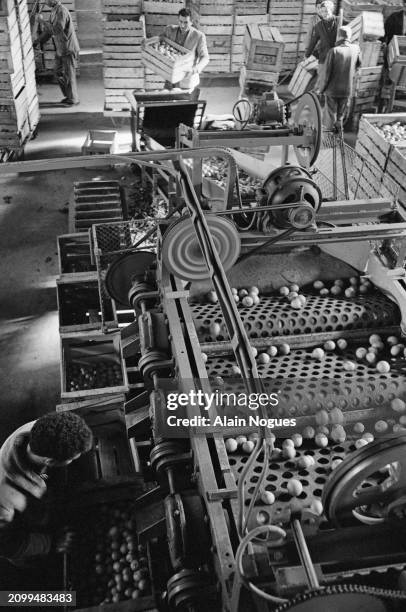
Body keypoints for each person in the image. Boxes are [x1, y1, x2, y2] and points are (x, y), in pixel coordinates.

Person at [0, 412, 93, 562]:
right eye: (72, 459)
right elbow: (6, 545)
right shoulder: (4, 500)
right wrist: (51, 543)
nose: (73, 462)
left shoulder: (39, 430)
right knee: (36, 563)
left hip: (38, 499)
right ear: (50, 461)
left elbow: (50, 474)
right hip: (21, 532)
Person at [33, 0, 80, 106]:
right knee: (58, 72)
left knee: (69, 74)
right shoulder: (54, 11)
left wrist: (41, 22)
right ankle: (69, 96)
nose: (45, 2)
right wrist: (38, 41)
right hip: (60, 48)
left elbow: (57, 30)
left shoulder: (61, 11)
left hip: (68, 48)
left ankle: (73, 99)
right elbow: (49, 32)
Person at [319, 26, 361, 133]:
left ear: (339, 36)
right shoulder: (356, 49)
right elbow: (358, 66)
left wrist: (322, 89)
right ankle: (339, 136)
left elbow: (327, 74)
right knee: (340, 115)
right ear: (349, 36)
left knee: (330, 114)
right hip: (347, 89)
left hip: (332, 90)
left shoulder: (333, 51)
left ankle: (329, 138)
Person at [160, 8, 209, 90]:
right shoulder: (170, 30)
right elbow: (159, 40)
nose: (182, 25)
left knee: (185, 102)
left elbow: (205, 57)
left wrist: (196, 69)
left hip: (186, 80)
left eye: (186, 22)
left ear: (191, 22)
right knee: (167, 100)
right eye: (180, 21)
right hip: (170, 78)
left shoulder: (198, 36)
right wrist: (147, 41)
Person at [305, 0, 339, 90]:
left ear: (331, 10)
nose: (324, 13)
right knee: (321, 80)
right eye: (322, 11)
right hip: (323, 57)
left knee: (333, 80)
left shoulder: (339, 21)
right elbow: (313, 41)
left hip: (336, 57)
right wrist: (307, 55)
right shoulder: (318, 26)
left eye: (326, 11)